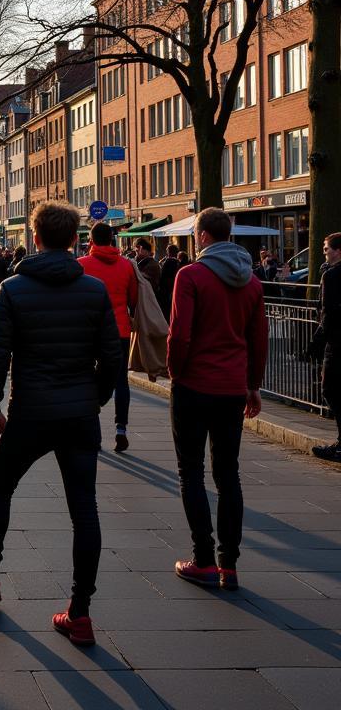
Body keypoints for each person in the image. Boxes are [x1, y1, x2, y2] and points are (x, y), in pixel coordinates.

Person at [0, 201, 121, 649]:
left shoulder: (12, 289)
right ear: (74, 240)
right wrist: (96, 397)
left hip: (30, 411)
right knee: (84, 511)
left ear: (34, 237)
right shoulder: (93, 290)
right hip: (79, 415)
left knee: (0, 487)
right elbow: (113, 357)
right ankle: (80, 612)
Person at [167, 207, 267, 591]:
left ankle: (203, 559)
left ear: (204, 236)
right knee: (228, 474)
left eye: (195, 234)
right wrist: (253, 385)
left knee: (189, 471)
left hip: (194, 385)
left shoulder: (190, 275)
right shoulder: (252, 283)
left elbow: (180, 334)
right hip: (231, 388)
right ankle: (229, 563)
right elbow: (258, 339)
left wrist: (177, 372)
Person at [79, 222, 138, 453]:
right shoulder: (126, 266)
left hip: (89, 332)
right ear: (112, 239)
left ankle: (92, 429)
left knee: (86, 378)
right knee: (121, 380)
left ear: (91, 241)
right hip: (119, 331)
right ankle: (121, 428)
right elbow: (133, 299)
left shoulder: (81, 265)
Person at [310, 233, 341, 461]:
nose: (325, 253)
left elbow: (328, 312)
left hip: (336, 342)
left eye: (327, 249)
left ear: (338, 251)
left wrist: (316, 342)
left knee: (330, 389)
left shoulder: (331, 276)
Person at [158, 244, 182, 321]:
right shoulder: (178, 262)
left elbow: (162, 276)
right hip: (175, 286)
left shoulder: (168, 262)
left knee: (167, 308)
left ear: (169, 252)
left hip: (166, 289)